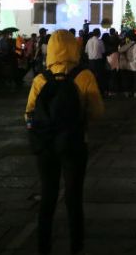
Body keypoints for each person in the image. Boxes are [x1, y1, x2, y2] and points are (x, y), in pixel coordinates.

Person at [25, 29, 104, 255]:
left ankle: (43, 246)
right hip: (75, 142)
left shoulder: (41, 79)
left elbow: (29, 112)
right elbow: (97, 111)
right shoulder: (84, 76)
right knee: (74, 197)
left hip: (47, 146)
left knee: (47, 196)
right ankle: (76, 246)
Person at [84, 29, 106, 96]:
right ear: (99, 34)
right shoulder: (100, 41)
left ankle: (91, 92)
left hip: (91, 62)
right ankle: (99, 92)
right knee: (99, 78)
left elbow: (86, 51)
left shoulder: (89, 41)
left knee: (92, 77)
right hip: (98, 62)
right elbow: (103, 51)